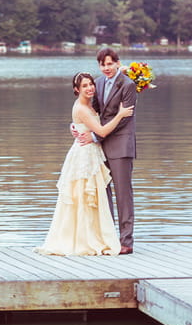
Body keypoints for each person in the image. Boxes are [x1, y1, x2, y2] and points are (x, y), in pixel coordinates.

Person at [36, 72, 134, 256]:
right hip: (85, 155)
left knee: (91, 198)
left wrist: (75, 125)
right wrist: (121, 114)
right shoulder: (81, 108)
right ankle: (84, 239)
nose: (90, 88)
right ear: (76, 90)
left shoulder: (89, 105)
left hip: (93, 153)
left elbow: (86, 122)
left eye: (91, 84)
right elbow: (102, 131)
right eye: (84, 86)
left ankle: (93, 236)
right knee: (83, 198)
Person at [77, 47, 137, 254]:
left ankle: (126, 241)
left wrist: (95, 136)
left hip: (120, 146)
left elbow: (124, 118)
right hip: (100, 148)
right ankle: (108, 238)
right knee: (103, 193)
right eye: (103, 64)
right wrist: (77, 125)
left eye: (110, 63)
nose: (107, 68)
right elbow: (91, 111)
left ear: (118, 63)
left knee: (123, 195)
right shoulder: (98, 83)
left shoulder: (128, 85)